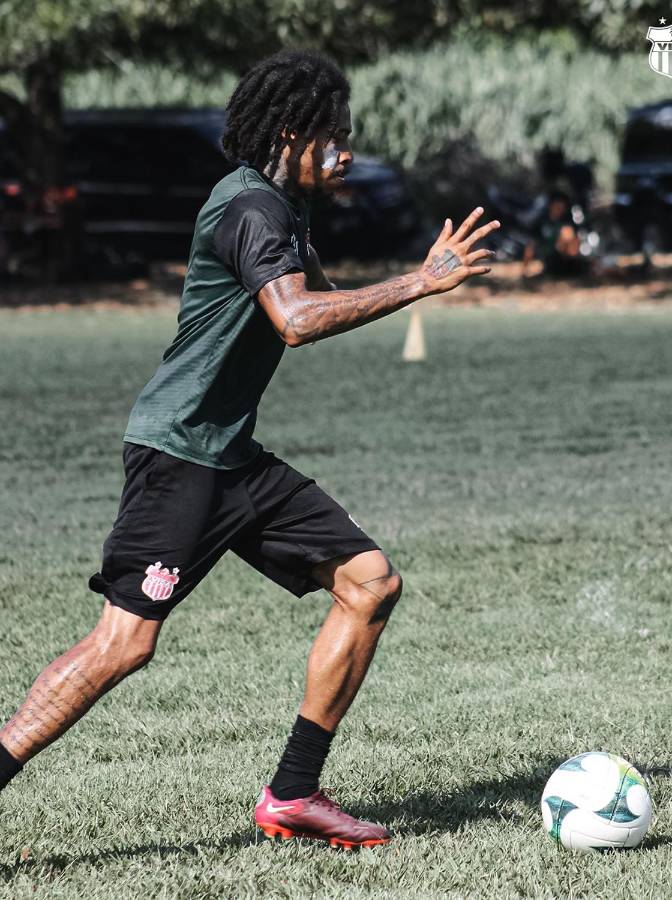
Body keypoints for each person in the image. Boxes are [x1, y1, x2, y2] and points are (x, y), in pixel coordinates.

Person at [0, 49, 499, 849]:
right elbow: (296, 321)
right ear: (291, 135)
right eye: (334, 137)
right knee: (123, 644)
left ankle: (293, 796)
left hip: (231, 456)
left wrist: (415, 278)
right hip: (180, 455)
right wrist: (416, 284)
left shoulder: (287, 208)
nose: (346, 153)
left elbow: (320, 300)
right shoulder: (250, 209)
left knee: (370, 584)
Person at [522, 190, 588, 278]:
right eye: (557, 206)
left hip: (567, 259)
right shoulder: (541, 222)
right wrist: (525, 269)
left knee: (567, 232)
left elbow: (575, 244)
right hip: (550, 260)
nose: (560, 210)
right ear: (551, 205)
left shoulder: (567, 222)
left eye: (562, 207)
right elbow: (530, 245)